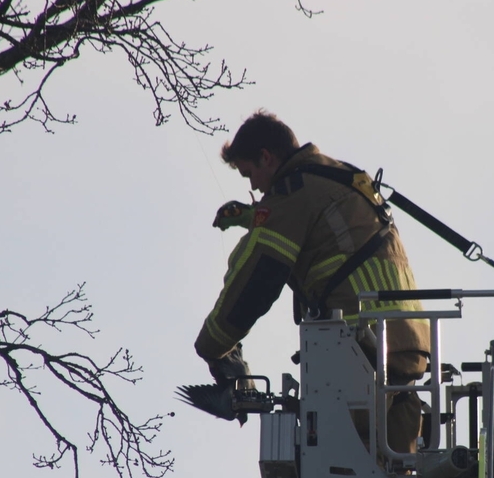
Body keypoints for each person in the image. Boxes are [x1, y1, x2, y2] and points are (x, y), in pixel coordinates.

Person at [179, 111, 430, 454]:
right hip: (407, 345)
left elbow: (256, 280)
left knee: (335, 465)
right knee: (392, 472)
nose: (254, 187)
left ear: (266, 157)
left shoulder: (292, 191)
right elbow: (327, 228)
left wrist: (212, 346)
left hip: (362, 345)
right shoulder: (338, 174)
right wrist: (254, 217)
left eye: (249, 174)